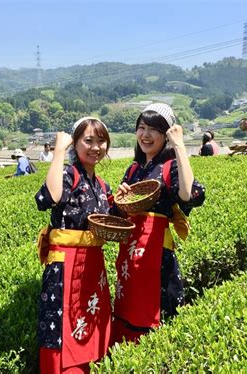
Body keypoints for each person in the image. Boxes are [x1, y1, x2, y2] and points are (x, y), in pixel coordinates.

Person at [113, 103, 205, 345]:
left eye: (153, 129)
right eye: (141, 128)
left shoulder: (170, 166)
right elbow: (119, 215)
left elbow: (188, 194)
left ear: (166, 134)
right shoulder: (133, 170)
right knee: (128, 312)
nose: (145, 135)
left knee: (159, 315)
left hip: (156, 254)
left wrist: (180, 147)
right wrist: (120, 198)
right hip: (130, 255)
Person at [35, 117, 115, 373]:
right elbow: (49, 198)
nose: (96, 147)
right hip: (65, 267)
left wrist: (121, 201)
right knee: (62, 330)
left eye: (101, 141)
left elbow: (110, 220)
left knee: (91, 324)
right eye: (88, 140)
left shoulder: (102, 185)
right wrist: (59, 151)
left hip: (93, 268)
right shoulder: (69, 174)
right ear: (76, 143)